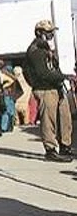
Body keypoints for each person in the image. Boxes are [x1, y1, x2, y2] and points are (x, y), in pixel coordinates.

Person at [24, 19, 72, 162]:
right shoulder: (35, 51)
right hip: (45, 89)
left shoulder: (46, 49)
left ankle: (65, 146)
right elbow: (43, 73)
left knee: (65, 117)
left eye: (51, 32)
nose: (51, 35)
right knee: (49, 120)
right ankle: (50, 150)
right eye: (48, 32)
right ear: (39, 33)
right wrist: (63, 76)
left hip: (55, 87)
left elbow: (53, 68)